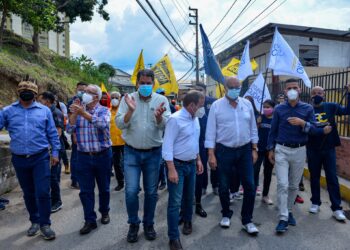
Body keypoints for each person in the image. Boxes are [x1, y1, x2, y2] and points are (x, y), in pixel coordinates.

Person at [267, 78, 332, 234]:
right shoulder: (279, 109)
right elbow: (272, 131)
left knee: (294, 185)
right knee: (282, 184)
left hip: (299, 150)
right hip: (281, 149)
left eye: (295, 87)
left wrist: (303, 123)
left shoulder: (308, 108)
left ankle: (288, 210)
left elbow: (315, 130)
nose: (292, 90)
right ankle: (283, 218)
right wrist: (270, 149)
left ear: (300, 90)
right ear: (284, 91)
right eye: (289, 88)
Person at [0, 81, 60, 240]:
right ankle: (34, 220)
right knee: (28, 193)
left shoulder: (44, 111)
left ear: (35, 94)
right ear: (18, 92)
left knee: (42, 191)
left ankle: (45, 224)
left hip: (40, 157)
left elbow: (52, 134)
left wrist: (55, 153)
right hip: (19, 159)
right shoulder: (7, 111)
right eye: (23, 90)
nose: (26, 93)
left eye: (30, 91)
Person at [116, 69, 170, 243]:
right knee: (131, 191)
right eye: (142, 83)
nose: (145, 86)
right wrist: (130, 111)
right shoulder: (128, 99)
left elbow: (166, 125)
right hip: (131, 152)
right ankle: (133, 223)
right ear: (137, 83)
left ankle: (148, 223)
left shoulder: (161, 100)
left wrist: (160, 118)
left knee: (151, 192)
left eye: (149, 83)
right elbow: (119, 124)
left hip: (153, 153)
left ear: (153, 84)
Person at [205, 77, 259, 235]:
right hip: (224, 150)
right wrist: (211, 154)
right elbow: (210, 131)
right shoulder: (216, 106)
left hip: (244, 150)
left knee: (250, 185)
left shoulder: (247, 104)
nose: (236, 89)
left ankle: (247, 220)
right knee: (223, 185)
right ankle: (226, 213)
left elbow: (253, 128)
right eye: (232, 87)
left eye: (238, 86)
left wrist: (254, 148)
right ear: (226, 88)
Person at [67, 84, 112, 235]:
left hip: (103, 156)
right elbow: (69, 129)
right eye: (84, 91)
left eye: (89, 92)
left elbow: (102, 124)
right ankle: (89, 220)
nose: (84, 94)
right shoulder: (78, 109)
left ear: (96, 97)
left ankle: (104, 212)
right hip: (84, 157)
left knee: (104, 188)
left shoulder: (104, 110)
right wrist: (75, 113)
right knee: (85, 191)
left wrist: (83, 113)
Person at [162, 90, 204, 250]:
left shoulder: (195, 118)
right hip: (177, 166)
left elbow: (194, 141)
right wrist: (171, 169)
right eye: (200, 105)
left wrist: (198, 159)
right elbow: (167, 147)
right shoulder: (175, 119)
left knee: (189, 197)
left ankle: (187, 220)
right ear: (192, 105)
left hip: (192, 164)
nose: (202, 108)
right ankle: (173, 237)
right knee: (174, 202)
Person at [307, 85, 350, 221]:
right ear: (311, 96)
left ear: (324, 95)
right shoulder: (307, 109)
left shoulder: (331, 106)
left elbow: (347, 110)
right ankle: (315, 202)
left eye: (320, 92)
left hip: (329, 148)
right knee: (314, 176)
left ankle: (337, 208)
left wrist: (349, 94)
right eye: (314, 93)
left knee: (332, 177)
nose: (317, 94)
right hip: (313, 148)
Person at [38, 92, 65, 213]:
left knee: (54, 177)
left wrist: (52, 150)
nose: (39, 103)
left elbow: (58, 133)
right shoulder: (46, 112)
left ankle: (57, 201)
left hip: (54, 149)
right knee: (48, 176)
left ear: (47, 101)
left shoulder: (56, 113)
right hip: (48, 149)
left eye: (40, 100)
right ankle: (49, 199)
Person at [193, 83, 217, 219]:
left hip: (211, 139)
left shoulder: (213, 103)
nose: (198, 93)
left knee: (213, 164)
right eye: (196, 90)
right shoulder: (191, 104)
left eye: (200, 90)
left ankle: (215, 185)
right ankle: (201, 188)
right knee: (199, 166)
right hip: (197, 141)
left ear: (205, 91)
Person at [254, 100, 276, 205]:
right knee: (255, 171)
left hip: (270, 150)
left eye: (268, 107)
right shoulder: (260, 117)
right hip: (259, 149)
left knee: (268, 173)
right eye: (264, 107)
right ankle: (252, 192)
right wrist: (257, 123)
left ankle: (265, 195)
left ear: (273, 108)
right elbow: (254, 132)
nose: (265, 109)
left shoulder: (276, 119)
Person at [67, 81, 88, 189]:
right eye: (80, 90)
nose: (82, 92)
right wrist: (74, 135)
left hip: (86, 134)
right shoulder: (72, 101)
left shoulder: (87, 101)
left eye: (84, 90)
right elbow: (71, 119)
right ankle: (75, 179)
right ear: (76, 89)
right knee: (75, 157)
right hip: (76, 132)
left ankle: (82, 178)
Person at [110, 91, 125, 191]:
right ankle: (120, 182)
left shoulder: (124, 111)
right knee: (116, 164)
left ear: (120, 99)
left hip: (125, 141)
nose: (114, 99)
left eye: (116, 97)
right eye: (113, 97)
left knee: (128, 163)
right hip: (113, 143)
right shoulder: (108, 111)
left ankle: (134, 183)